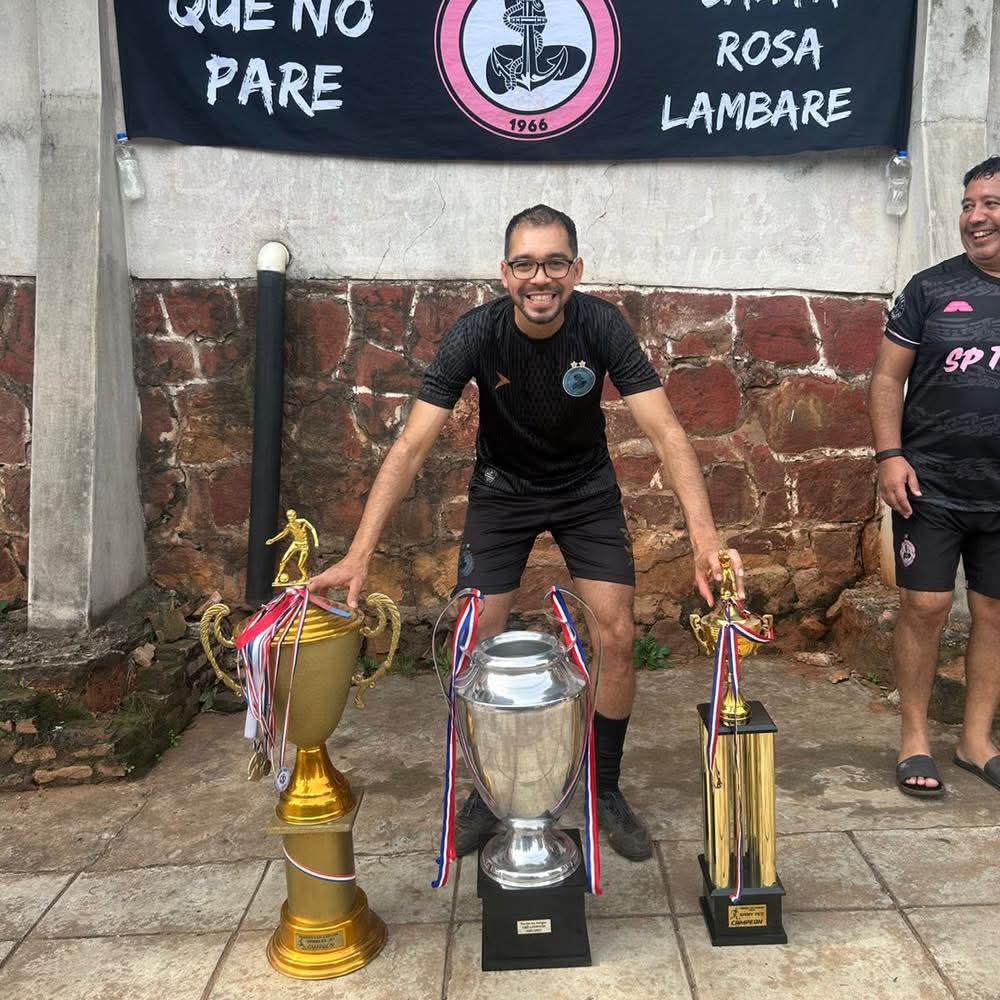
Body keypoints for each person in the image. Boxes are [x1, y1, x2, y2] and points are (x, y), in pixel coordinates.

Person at [309, 204, 743, 859]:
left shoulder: (601, 326)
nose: (540, 278)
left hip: (585, 491)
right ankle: (489, 789)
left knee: (616, 633)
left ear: (577, 270)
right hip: (502, 493)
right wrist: (358, 555)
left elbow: (666, 433)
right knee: (475, 636)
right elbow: (411, 447)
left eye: (555, 263)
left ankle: (603, 788)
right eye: (525, 264)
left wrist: (706, 542)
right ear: (505, 273)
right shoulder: (475, 335)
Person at [869, 156, 1000, 798]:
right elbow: (885, 378)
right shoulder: (928, 289)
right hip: (930, 485)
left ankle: (976, 741)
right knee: (925, 606)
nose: (975, 217)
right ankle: (914, 737)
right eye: (968, 204)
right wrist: (889, 455)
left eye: (991, 204)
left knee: (994, 611)